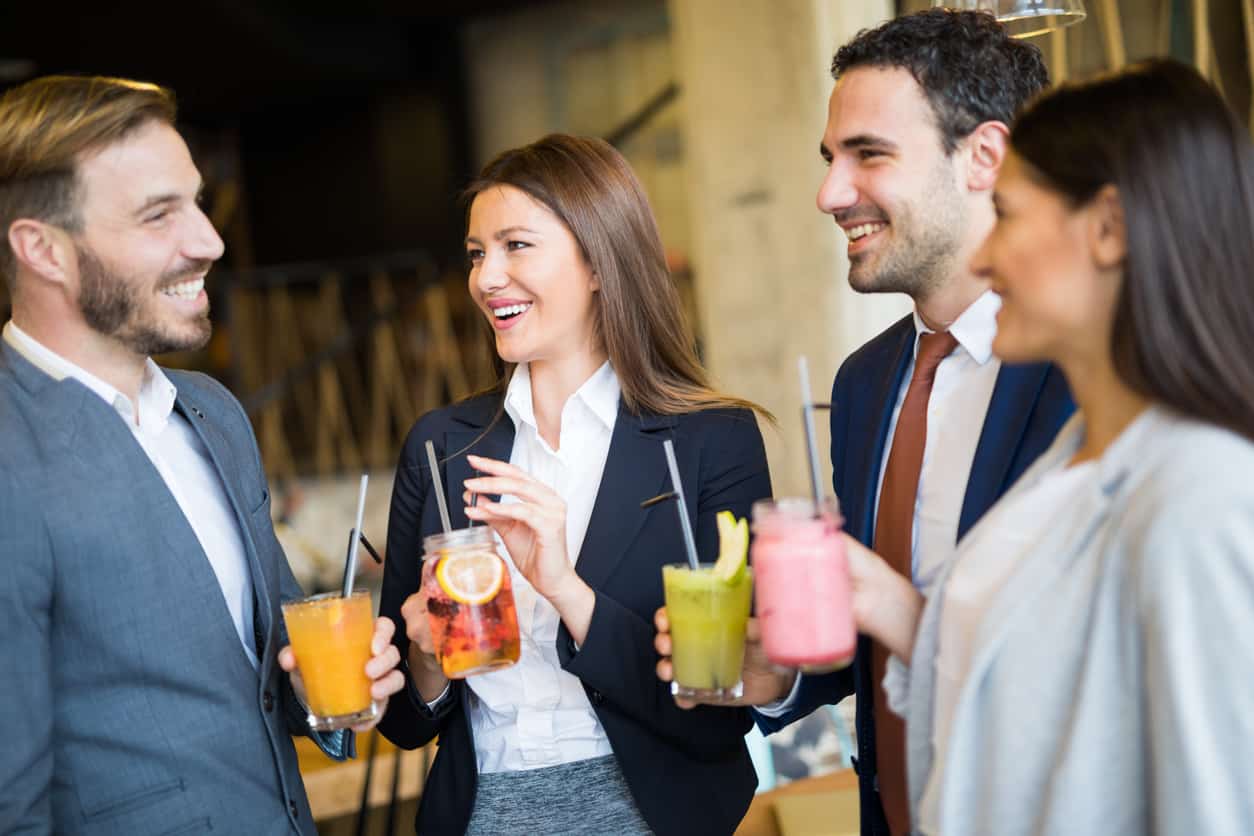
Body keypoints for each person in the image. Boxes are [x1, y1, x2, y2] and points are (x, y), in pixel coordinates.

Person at [657, 11, 1074, 836]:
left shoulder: (1087, 372)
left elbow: (1098, 659)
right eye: (829, 159)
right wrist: (777, 676)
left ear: (984, 158)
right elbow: (872, 650)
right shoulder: (864, 382)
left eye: (869, 155)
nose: (829, 193)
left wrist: (897, 607)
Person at [844, 57, 1254, 835]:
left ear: (1109, 229)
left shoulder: (1204, 496)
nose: (987, 255)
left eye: (1010, 215)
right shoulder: (1076, 454)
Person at [0, 75, 404, 835]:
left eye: (196, 199)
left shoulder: (212, 412)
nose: (210, 241)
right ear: (42, 249)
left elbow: (273, 668)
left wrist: (343, 689)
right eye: (160, 215)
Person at [377, 133, 773, 835]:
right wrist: (427, 659)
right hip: (481, 814)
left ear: (598, 262)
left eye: (516, 246)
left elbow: (720, 710)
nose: (486, 278)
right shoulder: (439, 447)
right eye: (476, 254)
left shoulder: (712, 441)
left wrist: (564, 586)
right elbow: (406, 723)